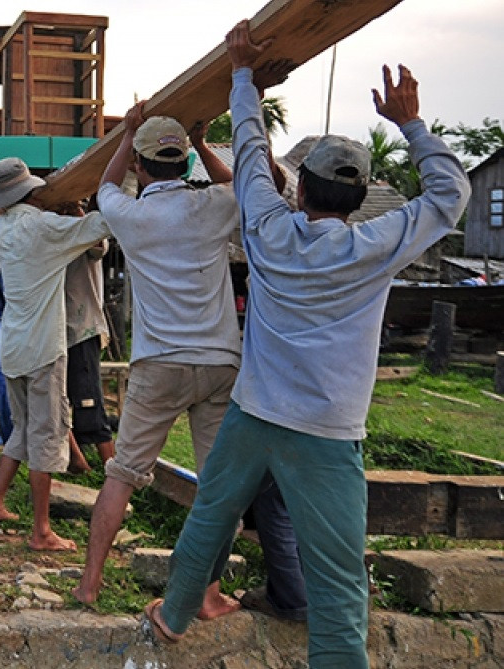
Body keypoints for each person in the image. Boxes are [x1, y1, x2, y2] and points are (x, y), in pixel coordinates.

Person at [145, 20, 470, 668]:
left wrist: (242, 76)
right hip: (327, 432)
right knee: (336, 575)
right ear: (356, 199)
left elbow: (245, 148)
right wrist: (409, 123)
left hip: (255, 411)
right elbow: (450, 194)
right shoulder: (374, 246)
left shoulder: (268, 229)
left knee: (210, 514)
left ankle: (173, 614)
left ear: (301, 189)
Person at [71, 103, 252, 618]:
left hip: (159, 365)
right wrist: (202, 145)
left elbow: (105, 186)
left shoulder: (132, 215)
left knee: (123, 473)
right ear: (185, 162)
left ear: (141, 166)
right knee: (217, 486)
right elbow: (247, 187)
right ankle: (208, 594)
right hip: (220, 363)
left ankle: (89, 585)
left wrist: (126, 135)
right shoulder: (214, 204)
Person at [0, 157, 113, 551]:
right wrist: (79, 208)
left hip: (14, 345)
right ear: (32, 192)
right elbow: (102, 228)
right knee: (47, 435)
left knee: (21, 431)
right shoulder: (43, 227)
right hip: (43, 349)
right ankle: (41, 531)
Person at [62, 216, 116, 474]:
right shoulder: (56, 232)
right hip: (61, 329)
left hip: (83, 328)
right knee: (66, 395)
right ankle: (78, 459)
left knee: (88, 400)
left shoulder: (89, 232)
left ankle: (111, 469)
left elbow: (99, 247)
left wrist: (77, 214)